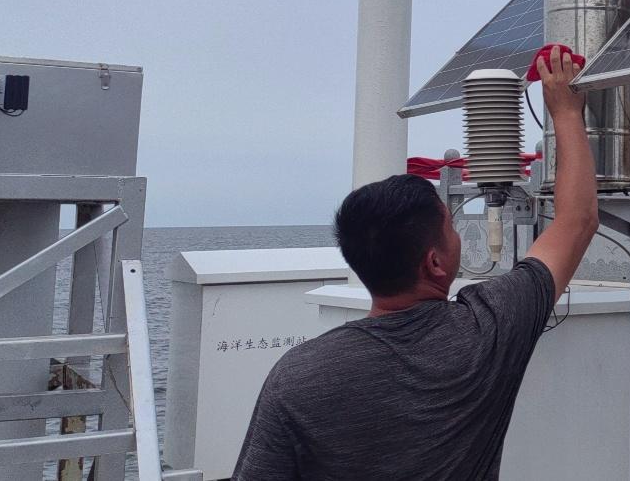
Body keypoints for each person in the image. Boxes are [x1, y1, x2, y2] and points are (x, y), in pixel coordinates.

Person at [234, 46, 599, 480]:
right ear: (435, 263)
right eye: (450, 227)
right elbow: (577, 221)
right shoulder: (487, 330)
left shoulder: (298, 375)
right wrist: (566, 112)